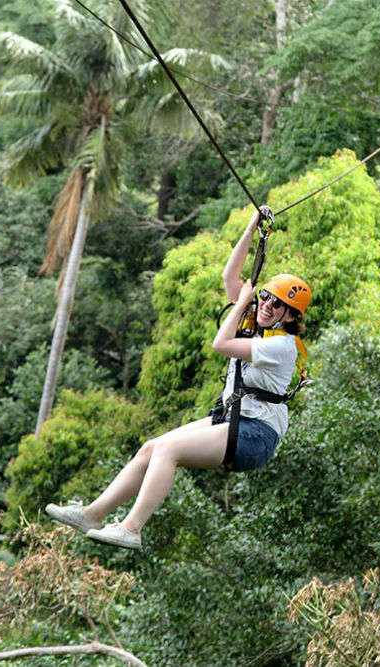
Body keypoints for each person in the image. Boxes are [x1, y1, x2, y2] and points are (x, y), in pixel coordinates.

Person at [44, 209, 311, 549]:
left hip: (256, 434)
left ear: (291, 317)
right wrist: (252, 227)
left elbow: (222, 344)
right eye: (266, 298)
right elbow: (231, 277)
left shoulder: (281, 346)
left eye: (278, 305)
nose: (268, 306)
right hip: (236, 420)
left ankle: (131, 528)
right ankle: (92, 514)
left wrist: (243, 303)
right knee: (151, 448)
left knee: (168, 450)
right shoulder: (257, 323)